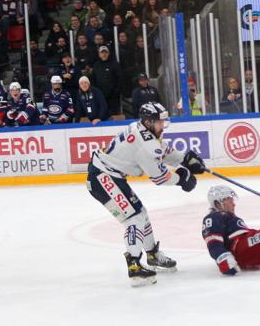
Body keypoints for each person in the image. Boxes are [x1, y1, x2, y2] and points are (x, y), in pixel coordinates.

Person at [87, 102, 206, 285]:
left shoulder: (141, 128)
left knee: (141, 213)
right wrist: (183, 179)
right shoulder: (146, 144)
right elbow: (160, 177)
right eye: (160, 122)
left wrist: (184, 158)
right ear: (149, 122)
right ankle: (134, 265)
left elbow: (162, 150)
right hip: (103, 178)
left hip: (108, 175)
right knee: (134, 218)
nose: (163, 125)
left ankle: (152, 255)